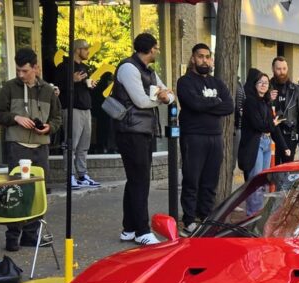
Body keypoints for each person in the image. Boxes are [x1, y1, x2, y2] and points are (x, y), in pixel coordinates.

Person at [0, 47, 62, 251]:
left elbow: (58, 117)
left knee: (38, 190)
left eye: (25, 71)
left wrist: (50, 127)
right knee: (15, 191)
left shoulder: (49, 90)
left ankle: (32, 235)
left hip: (40, 147)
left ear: (36, 68)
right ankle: (12, 236)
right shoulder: (9, 87)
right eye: (18, 70)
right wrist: (15, 118)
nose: (20, 75)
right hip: (17, 146)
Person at [111, 33, 174, 245]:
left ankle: (128, 228)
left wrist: (165, 96)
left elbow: (170, 94)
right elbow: (140, 101)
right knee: (140, 180)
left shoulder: (148, 71)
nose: (157, 51)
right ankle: (141, 230)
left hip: (143, 130)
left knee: (136, 179)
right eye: (156, 48)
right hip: (130, 131)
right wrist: (161, 98)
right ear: (149, 49)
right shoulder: (128, 68)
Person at [176, 43, 234, 236]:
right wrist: (213, 103)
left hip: (215, 137)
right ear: (193, 58)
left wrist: (205, 104)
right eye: (200, 56)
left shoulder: (217, 83)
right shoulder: (185, 82)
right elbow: (193, 103)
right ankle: (189, 221)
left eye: (207, 57)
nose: (204, 60)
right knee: (192, 179)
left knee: (210, 181)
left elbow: (229, 106)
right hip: (193, 136)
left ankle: (206, 217)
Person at [238, 69, 288, 215]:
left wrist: (284, 146)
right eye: (260, 82)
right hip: (255, 144)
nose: (263, 85)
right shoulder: (250, 102)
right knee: (255, 181)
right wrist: (273, 124)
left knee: (262, 182)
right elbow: (260, 125)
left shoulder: (265, 102)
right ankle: (252, 216)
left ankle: (258, 214)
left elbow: (271, 127)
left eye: (266, 83)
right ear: (255, 84)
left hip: (266, 143)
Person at [56, 39, 101, 189]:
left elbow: (83, 87)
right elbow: (56, 88)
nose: (88, 51)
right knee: (71, 145)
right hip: (71, 108)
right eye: (86, 48)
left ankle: (82, 175)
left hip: (85, 109)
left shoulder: (84, 67)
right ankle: (70, 176)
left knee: (83, 145)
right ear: (77, 49)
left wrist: (90, 85)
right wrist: (72, 80)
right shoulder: (64, 67)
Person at [270, 56, 299, 164]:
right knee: (273, 167)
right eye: (279, 69)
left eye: (284, 69)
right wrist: (269, 98)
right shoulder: (267, 87)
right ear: (273, 69)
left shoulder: (295, 88)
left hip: (289, 134)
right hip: (272, 133)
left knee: (287, 167)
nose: (282, 72)